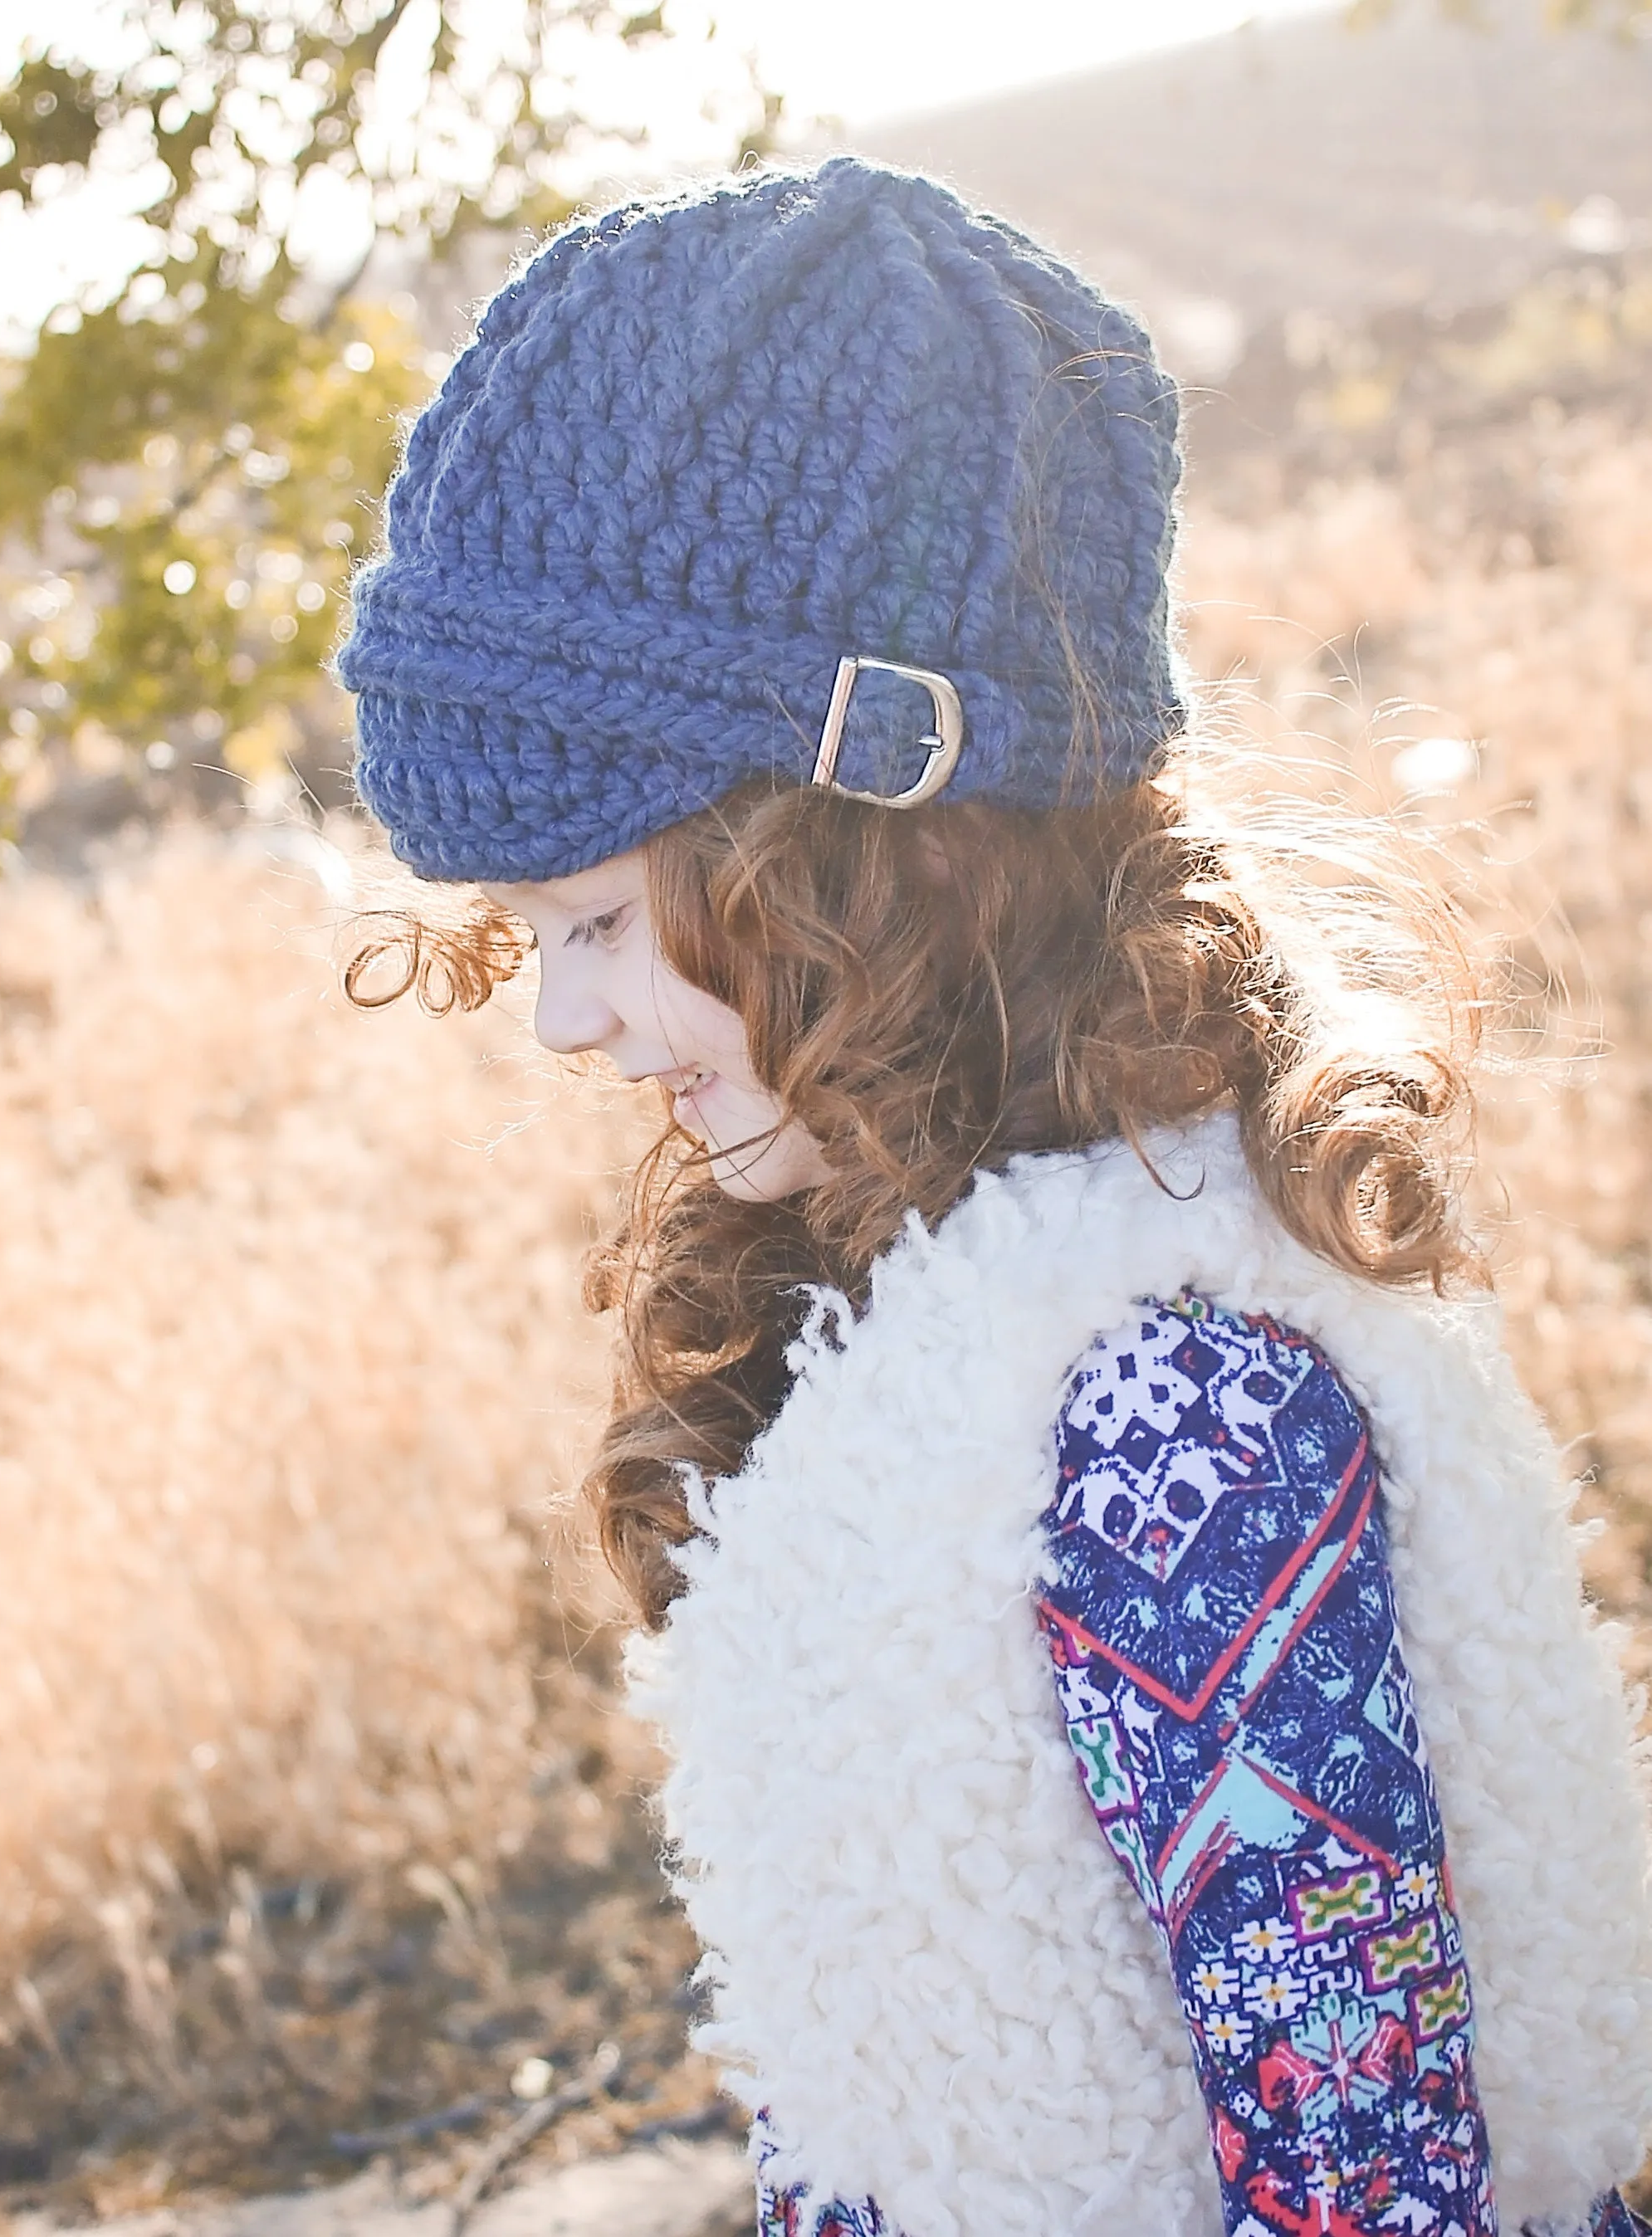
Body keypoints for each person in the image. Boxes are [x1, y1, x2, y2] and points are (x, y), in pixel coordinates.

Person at [335, 159, 1652, 2237]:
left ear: (893, 843)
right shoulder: (929, 1323)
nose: (557, 1024)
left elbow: (1372, 2174)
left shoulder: (1167, 1411)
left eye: (588, 921)